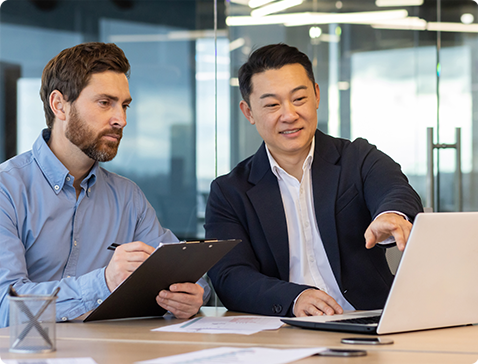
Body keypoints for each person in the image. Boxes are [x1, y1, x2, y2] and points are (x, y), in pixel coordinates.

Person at [205, 43, 423, 318]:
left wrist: (391, 214)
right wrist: (294, 298)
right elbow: (229, 275)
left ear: (317, 95)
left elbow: (394, 188)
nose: (289, 115)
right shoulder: (229, 191)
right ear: (248, 112)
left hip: (370, 320)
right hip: (285, 328)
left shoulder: (357, 158)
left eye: (299, 99)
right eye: (272, 104)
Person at [0, 42, 209, 327]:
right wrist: (105, 282)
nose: (121, 119)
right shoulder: (7, 189)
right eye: (104, 103)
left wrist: (191, 295)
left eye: (124, 105)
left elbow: (190, 274)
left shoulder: (127, 197)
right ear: (59, 105)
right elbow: (4, 305)